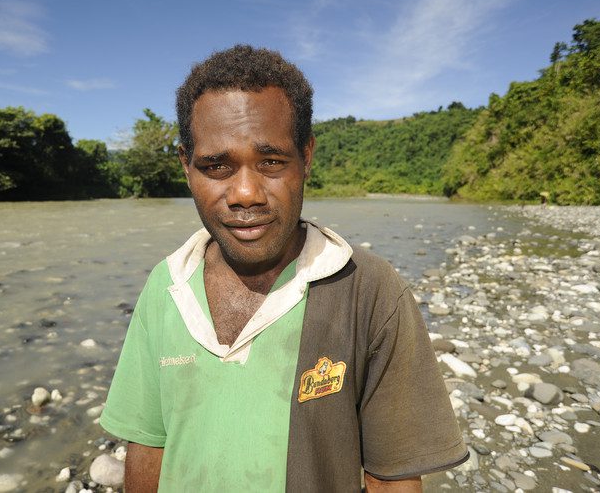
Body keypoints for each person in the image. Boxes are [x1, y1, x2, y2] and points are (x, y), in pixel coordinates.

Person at [100, 45, 468, 492]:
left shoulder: (369, 292)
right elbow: (148, 447)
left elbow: (394, 479)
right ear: (186, 165)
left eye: (271, 162)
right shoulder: (166, 285)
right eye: (217, 166)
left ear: (307, 157)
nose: (245, 193)